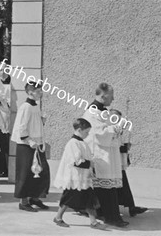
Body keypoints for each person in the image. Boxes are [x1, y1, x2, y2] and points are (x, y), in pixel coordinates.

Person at [82, 83, 129, 227]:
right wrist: (116, 127)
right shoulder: (92, 112)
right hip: (100, 154)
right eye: (111, 95)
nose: (113, 98)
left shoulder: (104, 111)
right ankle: (111, 218)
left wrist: (117, 128)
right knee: (105, 188)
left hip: (108, 153)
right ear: (103, 96)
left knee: (109, 188)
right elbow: (98, 133)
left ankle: (108, 214)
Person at [53, 118, 106, 230]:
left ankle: (93, 222)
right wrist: (90, 163)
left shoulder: (81, 142)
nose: (87, 134)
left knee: (88, 199)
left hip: (83, 177)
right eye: (86, 132)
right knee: (68, 197)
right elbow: (76, 161)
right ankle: (58, 217)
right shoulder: (73, 143)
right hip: (74, 177)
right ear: (79, 130)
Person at [12, 81, 50, 212]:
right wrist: (28, 140)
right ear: (29, 92)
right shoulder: (26, 107)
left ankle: (35, 197)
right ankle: (23, 201)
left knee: (41, 171)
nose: (41, 93)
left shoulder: (35, 106)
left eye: (41, 91)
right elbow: (22, 126)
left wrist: (41, 122)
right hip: (27, 145)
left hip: (37, 143)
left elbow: (33, 125)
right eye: (38, 91)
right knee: (26, 173)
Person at [109, 108, 148, 217]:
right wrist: (124, 147)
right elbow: (111, 146)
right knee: (114, 188)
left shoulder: (117, 131)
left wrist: (125, 146)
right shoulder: (107, 129)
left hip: (118, 164)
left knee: (123, 186)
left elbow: (118, 145)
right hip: (110, 164)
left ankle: (131, 207)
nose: (118, 121)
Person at [0, 65, 16, 176]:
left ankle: (7, 169)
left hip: (8, 113)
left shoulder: (12, 84)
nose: (4, 72)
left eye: (6, 70)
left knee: (6, 143)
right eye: (1, 70)